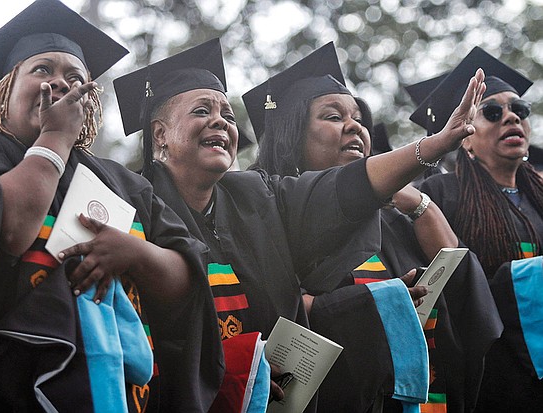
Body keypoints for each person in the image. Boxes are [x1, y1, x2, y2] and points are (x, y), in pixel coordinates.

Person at [113, 38, 486, 412]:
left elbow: (337, 190)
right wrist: (228, 369)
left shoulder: (255, 196)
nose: (220, 122)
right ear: (160, 134)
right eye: (201, 111)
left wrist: (431, 147)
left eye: (228, 115)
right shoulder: (132, 204)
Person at [0, 0, 223, 411]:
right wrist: (55, 140)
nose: (61, 83)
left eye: (75, 76)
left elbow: (187, 285)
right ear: (3, 91)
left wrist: (136, 253)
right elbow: (6, 230)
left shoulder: (123, 184)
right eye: (42, 69)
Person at [245, 42, 502, 413]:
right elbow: (266, 309)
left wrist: (416, 202)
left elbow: (462, 284)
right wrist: (380, 304)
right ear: (291, 133)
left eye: (359, 119)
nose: (354, 126)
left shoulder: (392, 218)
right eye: (333, 117)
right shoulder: (264, 211)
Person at [412, 46, 543, 412]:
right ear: (466, 139)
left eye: (519, 110)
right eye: (492, 112)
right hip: (489, 366)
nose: (510, 118)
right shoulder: (440, 193)